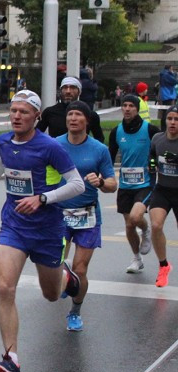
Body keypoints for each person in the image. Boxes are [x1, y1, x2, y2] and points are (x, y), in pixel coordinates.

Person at [0, 90, 84, 372]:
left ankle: (66, 278)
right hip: (14, 225)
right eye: (13, 111)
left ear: (37, 116)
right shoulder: (4, 140)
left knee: (51, 295)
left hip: (47, 229)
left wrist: (43, 199)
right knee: (4, 287)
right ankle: (10, 359)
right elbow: (2, 162)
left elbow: (77, 185)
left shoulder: (50, 147)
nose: (16, 116)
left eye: (24, 112)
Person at [55, 101, 117, 331]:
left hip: (87, 215)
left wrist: (100, 182)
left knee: (81, 270)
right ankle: (65, 276)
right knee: (54, 266)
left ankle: (75, 311)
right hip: (59, 214)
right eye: (69, 114)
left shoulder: (99, 149)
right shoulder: (55, 145)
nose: (72, 118)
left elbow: (112, 184)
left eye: (78, 115)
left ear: (87, 121)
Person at [109, 94, 160, 274]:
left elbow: (159, 150)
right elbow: (110, 156)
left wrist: (154, 166)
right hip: (125, 184)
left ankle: (146, 231)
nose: (127, 109)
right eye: (125, 105)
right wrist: (108, 177)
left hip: (145, 183)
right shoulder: (117, 131)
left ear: (137, 109)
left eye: (131, 105)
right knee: (129, 225)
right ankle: (137, 258)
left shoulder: (150, 130)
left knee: (136, 218)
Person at [149, 105, 178, 287]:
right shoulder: (157, 139)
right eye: (170, 119)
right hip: (163, 189)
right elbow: (152, 156)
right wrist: (152, 165)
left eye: (176, 119)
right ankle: (163, 265)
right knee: (156, 225)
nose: (173, 123)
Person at [36, 76, 106, 142]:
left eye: (72, 88)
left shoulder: (90, 114)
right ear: (61, 90)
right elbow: (36, 136)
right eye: (65, 88)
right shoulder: (49, 112)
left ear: (79, 91)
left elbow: (99, 138)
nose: (68, 91)